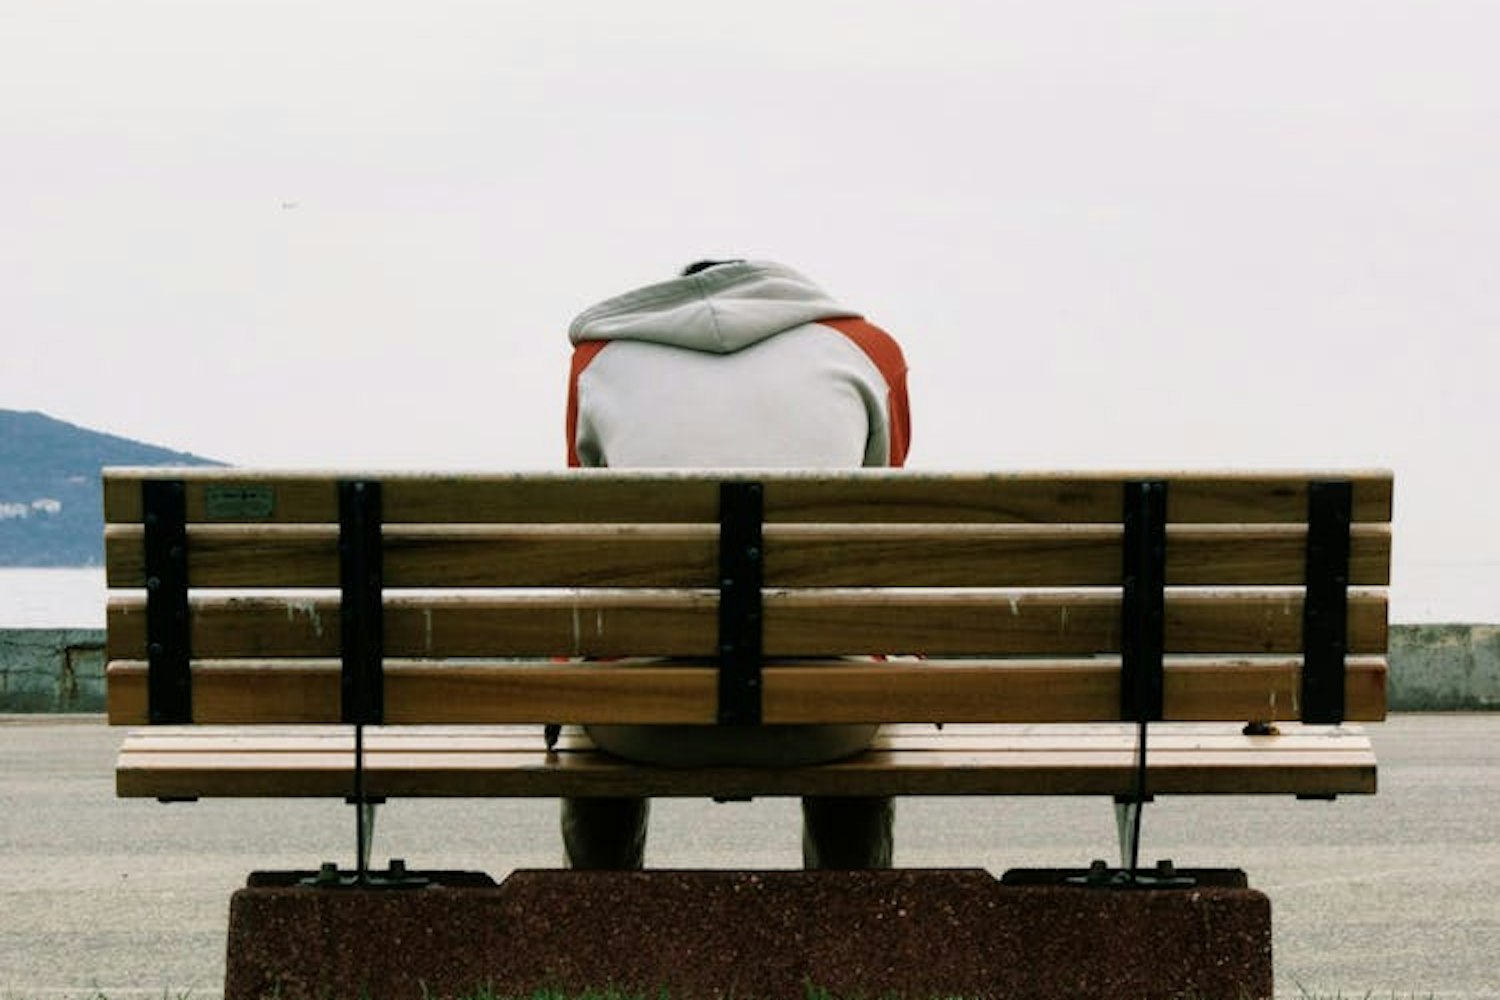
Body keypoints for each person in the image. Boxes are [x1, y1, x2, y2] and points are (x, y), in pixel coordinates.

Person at [562, 258, 912, 870]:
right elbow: (877, 529)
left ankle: (596, 913)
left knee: (600, 675)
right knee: (852, 668)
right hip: (826, 724)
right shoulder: (869, 351)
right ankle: (853, 911)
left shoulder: (599, 362)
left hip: (640, 724)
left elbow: (593, 541)